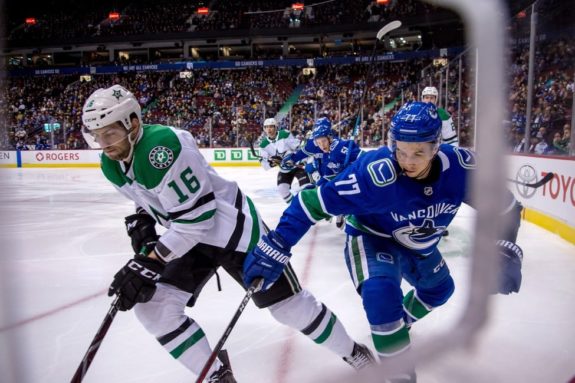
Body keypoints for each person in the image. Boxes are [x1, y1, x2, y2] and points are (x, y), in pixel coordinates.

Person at [81, 85, 375, 382]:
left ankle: (353, 351)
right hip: (189, 236)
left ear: (132, 123)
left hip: (234, 231)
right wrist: (143, 225)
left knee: (288, 307)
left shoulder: (165, 147)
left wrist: (154, 259)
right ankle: (216, 376)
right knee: (155, 310)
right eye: (97, 136)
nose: (104, 143)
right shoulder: (112, 162)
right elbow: (148, 195)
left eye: (111, 133)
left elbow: (198, 219)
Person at [243, 101, 524, 382]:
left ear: (436, 146)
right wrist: (277, 243)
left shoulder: (462, 169)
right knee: (380, 296)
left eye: (419, 152)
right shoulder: (373, 174)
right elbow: (310, 203)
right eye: (401, 150)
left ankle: (397, 324)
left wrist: (506, 249)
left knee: (440, 290)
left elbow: (507, 209)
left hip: (418, 244)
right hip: (372, 237)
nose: (408, 160)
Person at [281, 116, 363, 228]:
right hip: (339, 180)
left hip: (357, 183)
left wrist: (352, 167)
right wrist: (316, 188)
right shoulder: (323, 151)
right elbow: (328, 176)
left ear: (330, 137)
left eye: (323, 141)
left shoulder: (341, 148)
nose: (321, 145)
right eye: (318, 142)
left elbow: (366, 158)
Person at [258, 117, 311, 203]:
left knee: (306, 187)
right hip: (284, 169)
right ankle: (295, 207)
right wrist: (272, 163)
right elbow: (264, 163)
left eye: (271, 126)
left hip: (297, 166)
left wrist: (298, 159)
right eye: (266, 127)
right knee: (282, 190)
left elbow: (297, 147)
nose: (269, 129)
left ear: (276, 127)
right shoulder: (263, 144)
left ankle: (312, 206)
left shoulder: (284, 134)